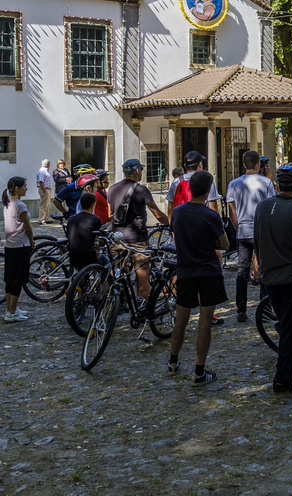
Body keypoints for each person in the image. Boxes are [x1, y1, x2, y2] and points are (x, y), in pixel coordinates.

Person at [254, 163, 292, 393]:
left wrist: (260, 264)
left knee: (285, 322)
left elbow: (257, 240)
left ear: (278, 185)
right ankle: (282, 379)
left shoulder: (262, 207)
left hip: (269, 277)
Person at [167, 170, 229, 386]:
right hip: (208, 271)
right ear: (208, 190)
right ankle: (199, 371)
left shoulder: (178, 212)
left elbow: (176, 234)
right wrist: (210, 245)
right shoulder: (211, 215)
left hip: (185, 271)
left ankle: (173, 362)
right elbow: (225, 244)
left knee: (181, 320)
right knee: (204, 324)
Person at [106, 158, 169, 302]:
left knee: (116, 273)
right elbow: (157, 214)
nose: (141, 172)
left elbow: (110, 214)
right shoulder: (141, 190)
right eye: (141, 169)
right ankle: (142, 306)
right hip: (137, 239)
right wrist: (171, 223)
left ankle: (111, 304)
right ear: (136, 171)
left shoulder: (113, 188)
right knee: (142, 274)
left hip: (117, 238)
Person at [227, 150, 276, 321]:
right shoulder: (266, 183)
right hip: (261, 230)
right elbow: (271, 207)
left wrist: (237, 226)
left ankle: (241, 309)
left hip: (243, 230)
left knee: (242, 270)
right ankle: (265, 307)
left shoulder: (234, 184)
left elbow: (231, 210)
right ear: (258, 165)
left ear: (243, 164)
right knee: (264, 268)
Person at [1, 176, 35, 323]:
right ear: (17, 188)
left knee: (10, 278)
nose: (26, 188)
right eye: (25, 186)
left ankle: (10, 308)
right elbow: (28, 227)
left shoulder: (7, 204)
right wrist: (32, 240)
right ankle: (12, 311)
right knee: (18, 279)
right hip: (21, 245)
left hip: (10, 245)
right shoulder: (20, 206)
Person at [66, 192, 102, 273]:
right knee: (106, 264)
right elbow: (97, 242)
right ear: (93, 205)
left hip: (73, 256)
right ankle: (98, 282)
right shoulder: (95, 219)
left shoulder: (71, 219)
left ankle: (82, 283)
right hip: (88, 257)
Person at [36, 159, 54, 224]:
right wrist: (45, 190)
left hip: (47, 189)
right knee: (43, 205)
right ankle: (42, 220)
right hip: (44, 189)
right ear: (47, 164)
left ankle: (46, 219)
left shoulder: (45, 170)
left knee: (47, 205)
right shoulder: (42, 171)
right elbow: (41, 181)